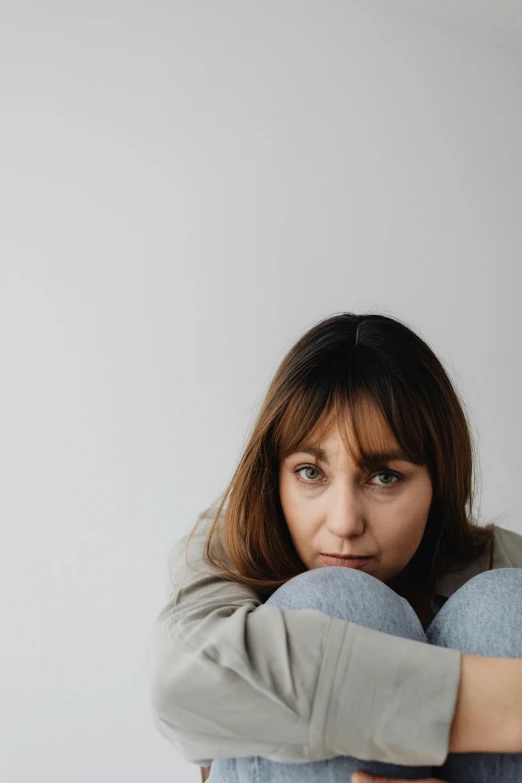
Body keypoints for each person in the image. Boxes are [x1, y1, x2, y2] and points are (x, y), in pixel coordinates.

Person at [146, 312, 522, 783]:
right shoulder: (233, 549)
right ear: (273, 475)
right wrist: (506, 702)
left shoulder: (503, 562)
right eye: (310, 472)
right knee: (334, 603)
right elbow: (178, 685)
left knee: (508, 607)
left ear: (438, 481)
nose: (344, 522)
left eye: (385, 477)